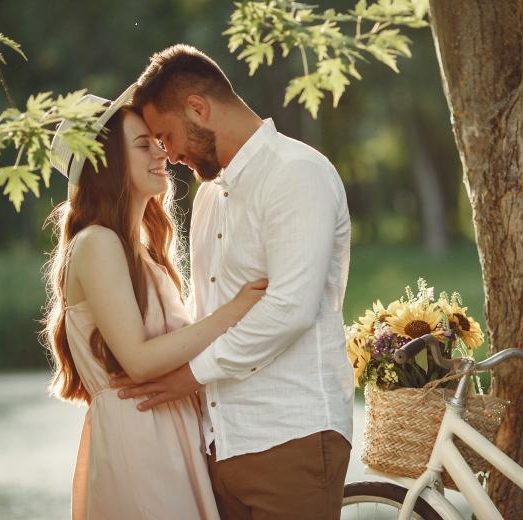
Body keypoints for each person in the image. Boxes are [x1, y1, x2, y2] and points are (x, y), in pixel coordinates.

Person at [111, 44, 354, 519]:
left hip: (292, 439)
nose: (168, 154)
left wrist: (190, 376)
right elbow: (207, 316)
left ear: (198, 108)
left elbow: (290, 310)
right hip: (220, 447)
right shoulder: (208, 200)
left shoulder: (296, 173)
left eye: (166, 135)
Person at [42, 85, 267, 519]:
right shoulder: (96, 243)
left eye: (158, 141)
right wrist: (234, 311)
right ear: (104, 164)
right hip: (139, 438)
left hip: (172, 434)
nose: (161, 152)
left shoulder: (145, 252)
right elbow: (140, 362)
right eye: (143, 144)